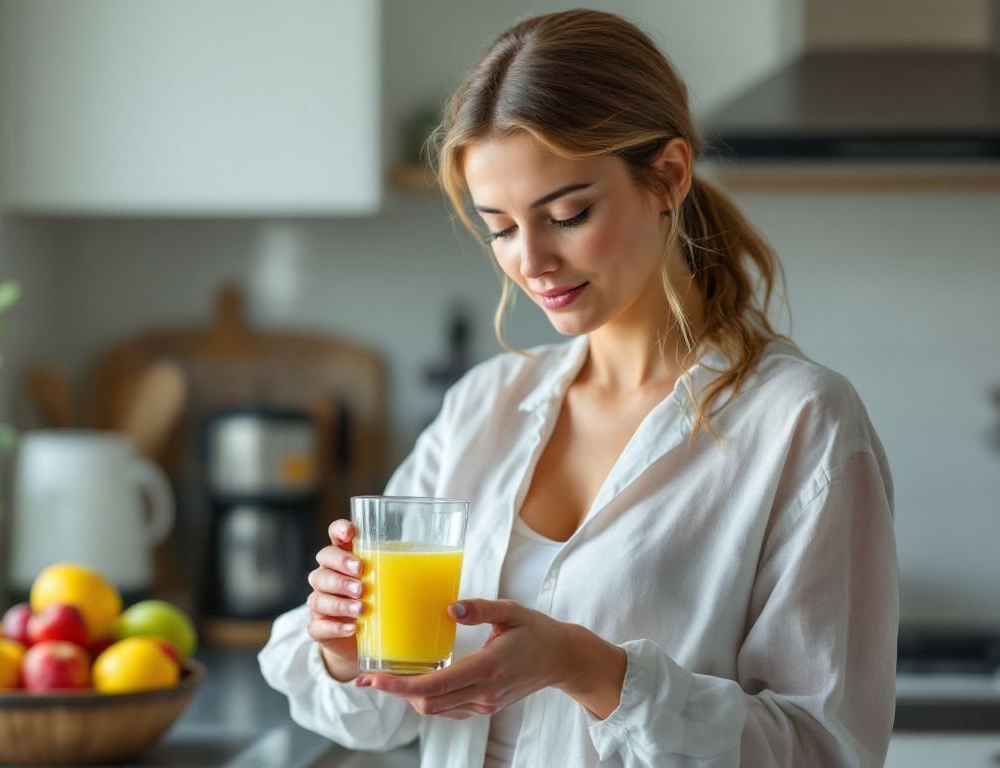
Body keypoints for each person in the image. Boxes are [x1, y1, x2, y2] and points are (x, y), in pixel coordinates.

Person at [258, 9, 897, 767]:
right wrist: (341, 643)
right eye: (499, 227)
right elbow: (380, 718)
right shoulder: (483, 406)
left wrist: (591, 670)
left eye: (568, 214)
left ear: (668, 176)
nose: (531, 261)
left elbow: (826, 753)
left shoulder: (800, 424)